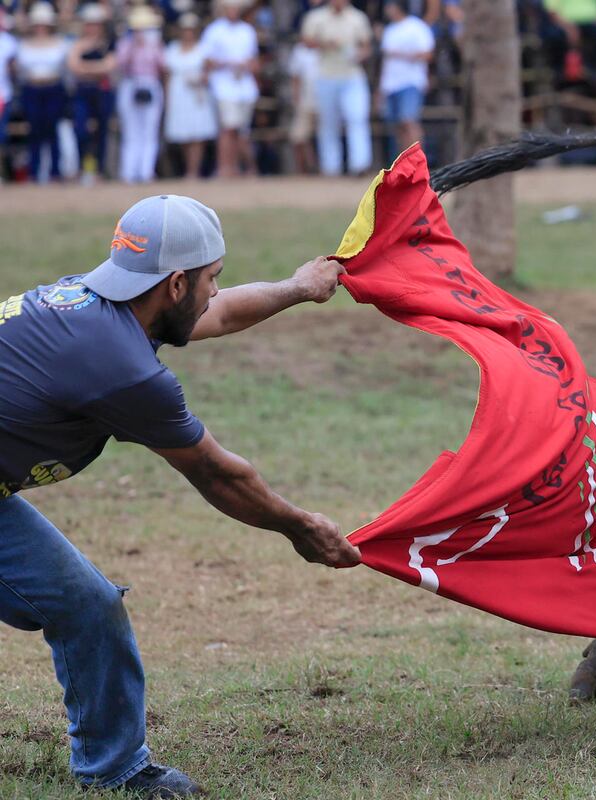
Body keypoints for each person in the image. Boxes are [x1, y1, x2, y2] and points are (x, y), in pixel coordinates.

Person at [0, 194, 360, 796]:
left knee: (87, 605)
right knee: (85, 605)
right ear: (174, 284)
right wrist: (300, 527)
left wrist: (297, 287)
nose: (217, 291)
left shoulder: (91, 302)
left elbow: (213, 316)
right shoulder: (125, 371)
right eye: (211, 279)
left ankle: (114, 770)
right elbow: (220, 475)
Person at [300, 0, 373, 176]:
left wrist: (359, 55)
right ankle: (330, 167)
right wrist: (326, 44)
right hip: (326, 75)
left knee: (357, 118)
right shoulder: (316, 18)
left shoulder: (357, 18)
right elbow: (306, 41)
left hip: (352, 75)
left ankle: (360, 165)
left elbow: (366, 46)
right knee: (328, 123)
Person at [200, 0, 259, 177]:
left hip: (245, 87)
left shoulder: (247, 31)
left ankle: (244, 168)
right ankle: (225, 168)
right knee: (228, 128)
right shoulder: (214, 30)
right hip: (223, 86)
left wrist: (245, 66)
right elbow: (206, 60)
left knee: (242, 131)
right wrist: (228, 64)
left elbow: (254, 61)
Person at [15, 2, 70, 182]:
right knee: (35, 131)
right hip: (32, 90)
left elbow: (65, 69)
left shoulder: (60, 43)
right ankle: (34, 171)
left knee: (52, 130)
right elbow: (18, 70)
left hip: (53, 89)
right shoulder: (24, 44)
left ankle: (55, 171)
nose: (40, 27)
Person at [164, 12, 218, 179]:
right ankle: (187, 168)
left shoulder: (203, 49)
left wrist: (201, 80)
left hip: (196, 95)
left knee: (197, 133)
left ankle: (193, 171)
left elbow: (210, 71)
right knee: (183, 133)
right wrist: (167, 98)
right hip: (179, 94)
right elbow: (167, 75)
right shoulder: (172, 49)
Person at [115, 5, 165, 184]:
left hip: (150, 84)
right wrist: (134, 46)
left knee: (149, 130)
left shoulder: (155, 45)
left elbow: (162, 65)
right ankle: (129, 172)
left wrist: (150, 46)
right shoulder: (125, 44)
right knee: (131, 130)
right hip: (130, 85)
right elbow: (121, 64)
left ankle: (146, 171)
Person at [68, 4, 116, 183]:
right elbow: (73, 66)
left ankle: (100, 170)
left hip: (101, 92)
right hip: (83, 91)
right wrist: (94, 68)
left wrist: (85, 68)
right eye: (89, 23)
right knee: (80, 128)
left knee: (102, 130)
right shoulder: (79, 43)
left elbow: (109, 66)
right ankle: (82, 167)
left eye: (95, 24)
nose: (92, 27)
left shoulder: (108, 44)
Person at [380, 0, 435, 156]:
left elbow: (428, 54)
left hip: (411, 82)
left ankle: (417, 162)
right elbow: (386, 62)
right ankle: (403, 164)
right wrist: (381, 88)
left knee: (409, 121)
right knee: (397, 125)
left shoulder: (416, 27)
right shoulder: (389, 30)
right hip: (391, 84)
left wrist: (402, 55)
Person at [286, 38, 318, 174]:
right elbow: (295, 77)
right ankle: (303, 170)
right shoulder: (299, 51)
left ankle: (320, 168)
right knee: (298, 137)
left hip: (325, 100)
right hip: (305, 100)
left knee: (324, 137)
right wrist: (296, 98)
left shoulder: (327, 49)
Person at [0, 8, 17, 179]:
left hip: (3, 94)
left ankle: (3, 172)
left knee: (1, 135)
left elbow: (13, 70)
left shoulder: (9, 41)